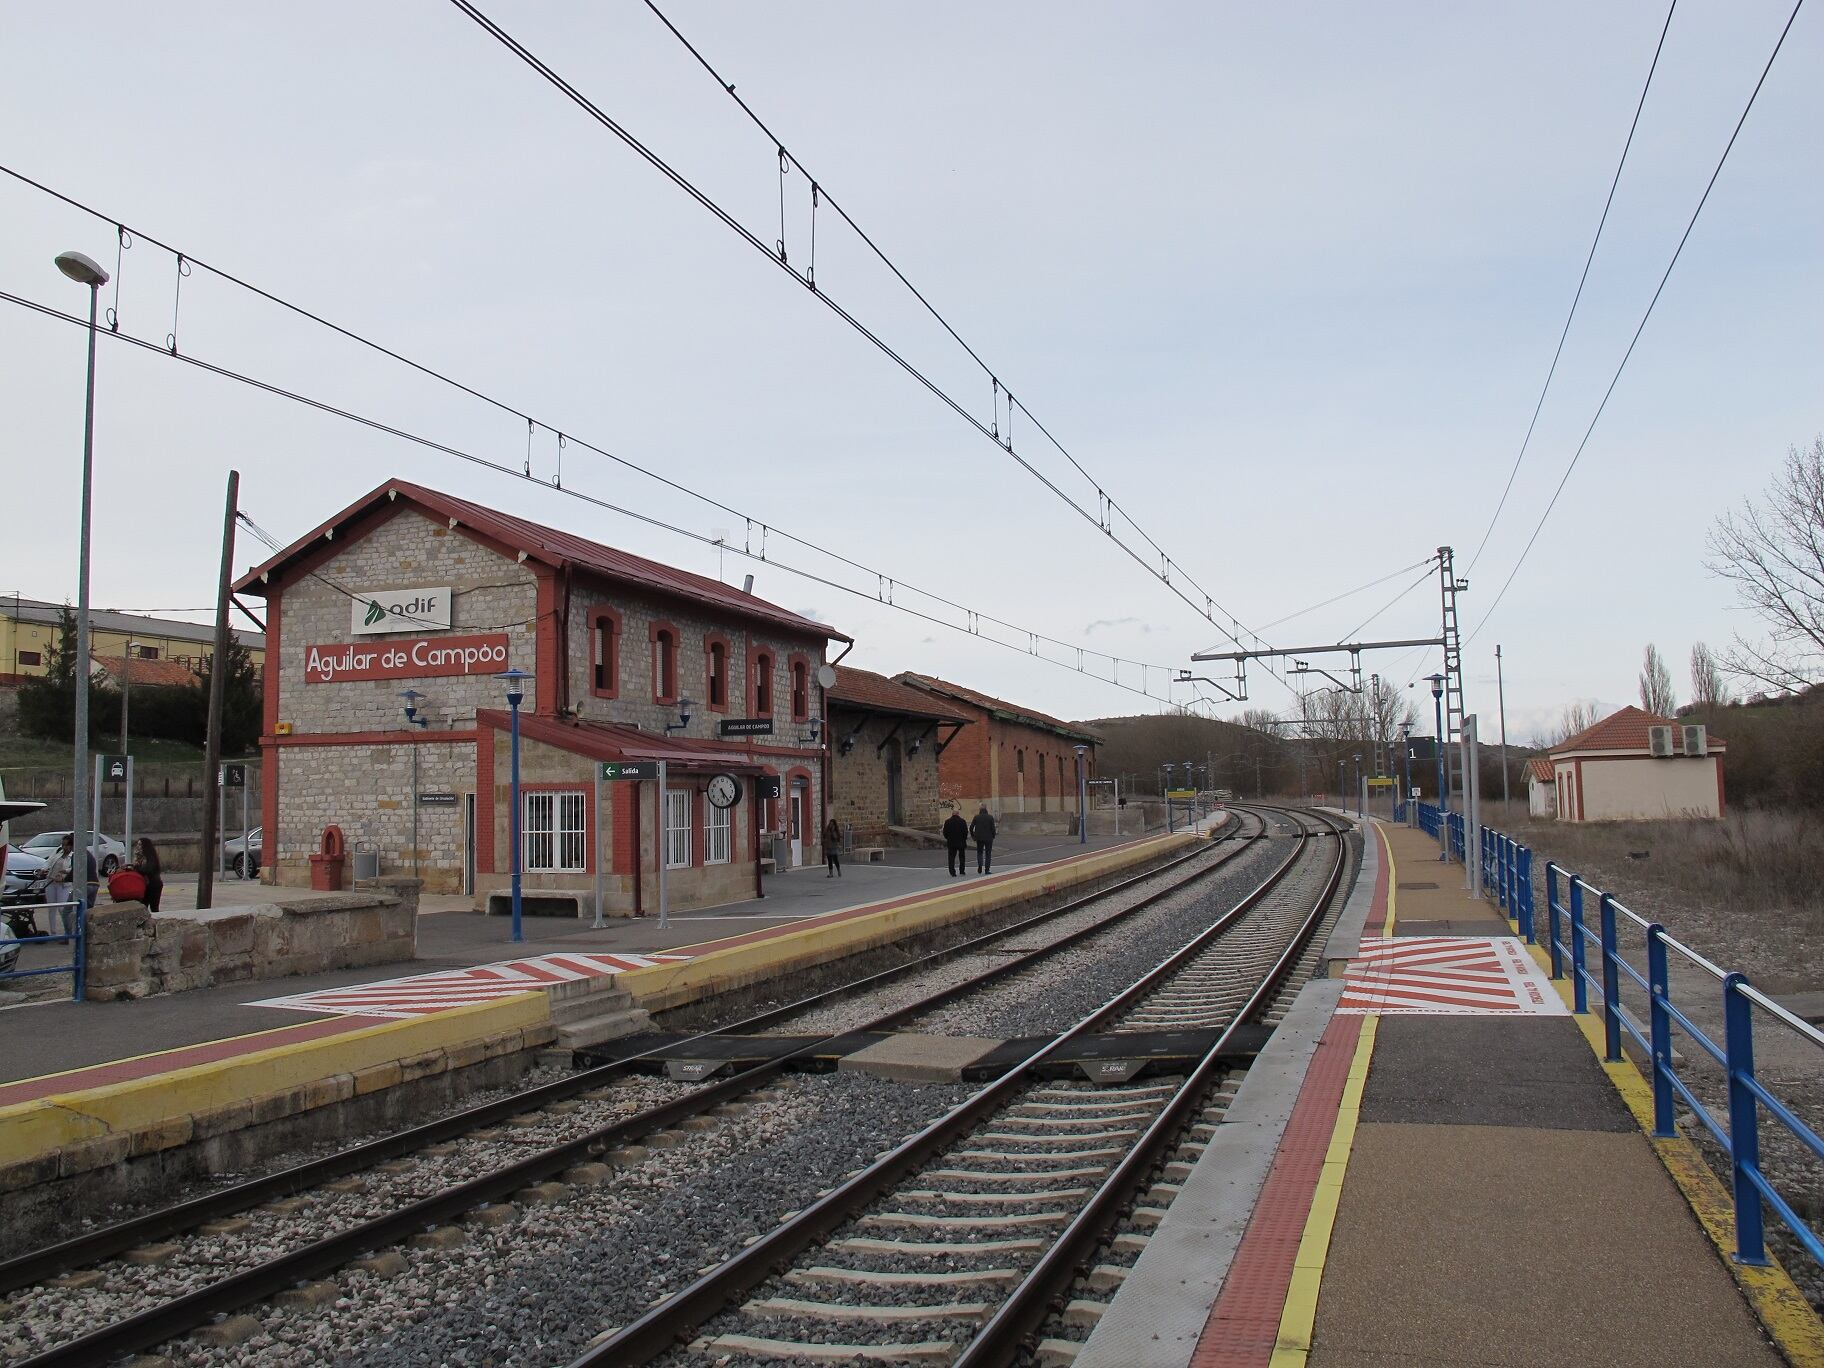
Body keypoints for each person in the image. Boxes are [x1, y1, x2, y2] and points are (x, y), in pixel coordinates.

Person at [132, 837, 164, 914]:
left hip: (153, 885)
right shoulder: (138, 857)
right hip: (144, 886)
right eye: (138, 844)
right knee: (143, 907)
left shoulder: (150, 857)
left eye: (140, 844)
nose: (138, 846)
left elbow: (147, 870)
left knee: (154, 908)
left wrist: (136, 868)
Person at [970, 803, 997, 875]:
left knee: (980, 852)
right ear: (986, 809)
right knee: (988, 854)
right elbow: (993, 828)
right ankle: (987, 869)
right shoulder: (990, 817)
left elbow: (971, 827)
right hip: (988, 838)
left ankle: (980, 865)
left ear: (980, 809)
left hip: (979, 838)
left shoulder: (976, 817)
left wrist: (973, 836)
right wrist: (993, 835)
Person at [942, 807, 969, 877]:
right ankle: (962, 870)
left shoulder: (947, 822)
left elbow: (945, 832)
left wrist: (948, 838)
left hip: (951, 842)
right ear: (958, 814)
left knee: (951, 857)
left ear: (952, 814)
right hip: (961, 842)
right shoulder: (962, 821)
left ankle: (952, 872)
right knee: (962, 857)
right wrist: (964, 839)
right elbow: (965, 832)